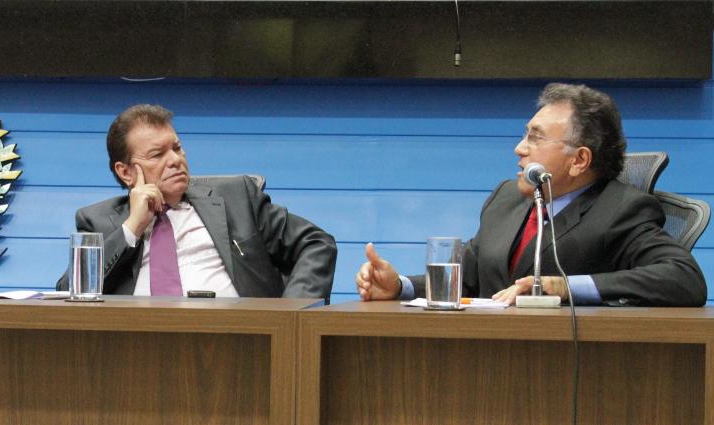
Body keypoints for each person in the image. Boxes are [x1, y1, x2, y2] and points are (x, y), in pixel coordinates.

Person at [355, 83, 706, 307]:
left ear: (579, 160)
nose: (519, 148)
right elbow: (470, 277)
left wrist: (564, 287)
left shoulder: (621, 209)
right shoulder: (507, 197)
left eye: (535, 138)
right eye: (525, 135)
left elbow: (684, 278)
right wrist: (399, 286)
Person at [57, 104, 337, 299]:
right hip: (138, 349)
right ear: (126, 172)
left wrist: (291, 314)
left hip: (238, 339)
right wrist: (133, 227)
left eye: (177, 148)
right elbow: (70, 291)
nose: (175, 160)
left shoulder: (236, 198)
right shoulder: (99, 220)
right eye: (157, 155)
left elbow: (316, 242)